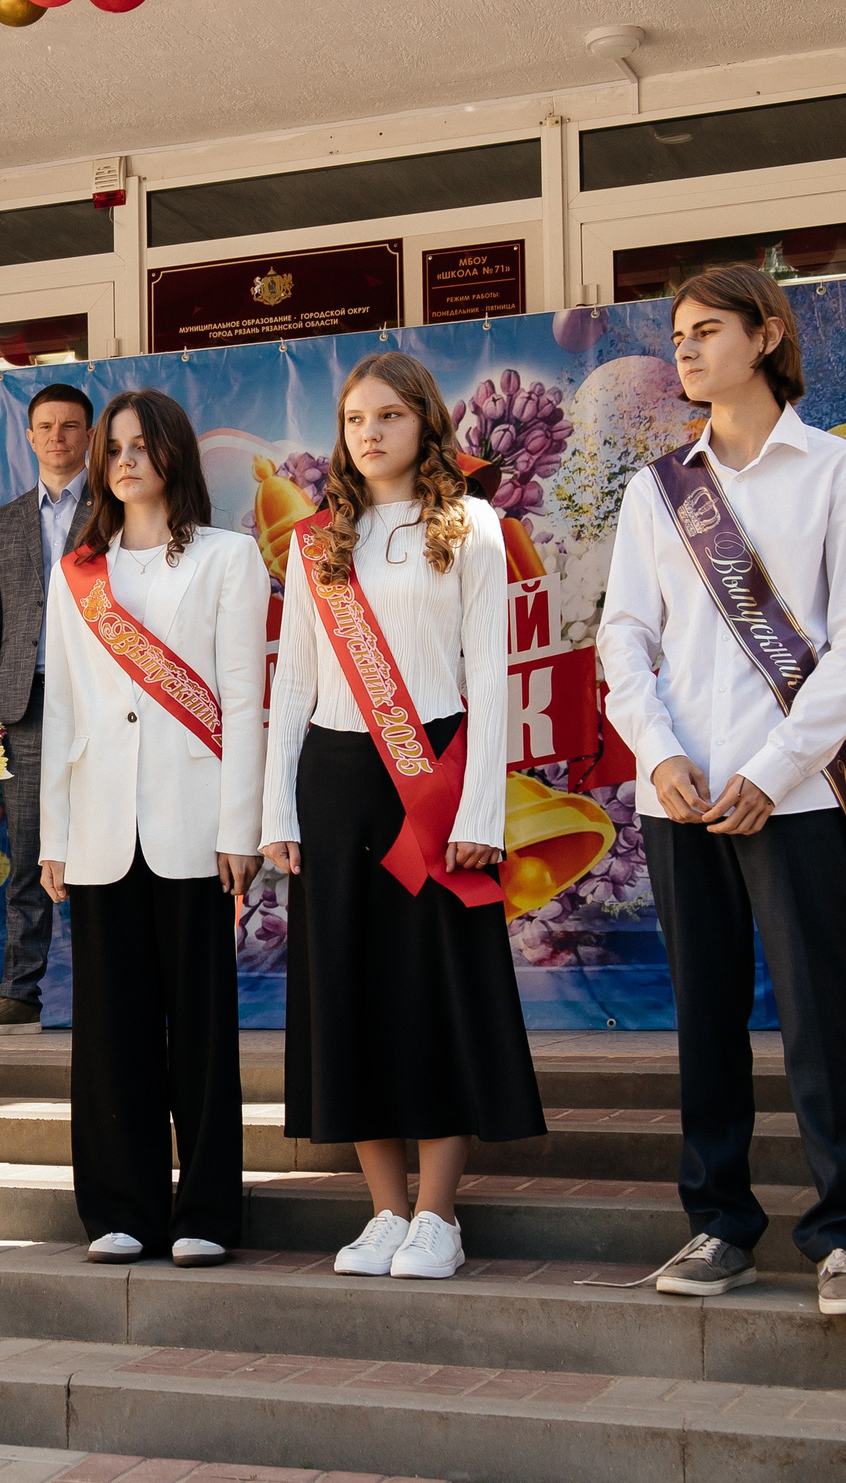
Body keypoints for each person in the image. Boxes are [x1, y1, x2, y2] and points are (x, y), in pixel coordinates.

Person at [599, 265, 846, 1313]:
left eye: (705, 329)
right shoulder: (655, 488)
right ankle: (718, 1221)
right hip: (678, 796)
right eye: (674, 333)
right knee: (705, 1016)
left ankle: (845, 1233)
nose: (683, 349)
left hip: (795, 795)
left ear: (767, 336)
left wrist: (771, 771)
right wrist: (656, 748)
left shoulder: (837, 476)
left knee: (816, 1012)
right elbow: (623, 636)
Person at [261, 352, 543, 1282]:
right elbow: (293, 680)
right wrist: (277, 811)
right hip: (337, 780)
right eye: (353, 420)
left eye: (387, 415)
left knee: (436, 989)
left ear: (425, 421)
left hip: (437, 769)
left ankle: (437, 1215)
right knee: (348, 991)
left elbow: (491, 673)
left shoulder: (471, 525)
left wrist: (484, 812)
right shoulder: (314, 543)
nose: (370, 433)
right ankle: (382, 1210)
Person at [42, 391, 268, 1267]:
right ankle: (119, 1208)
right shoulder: (80, 572)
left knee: (202, 1031)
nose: (126, 460)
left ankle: (207, 1209)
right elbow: (62, 707)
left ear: (173, 453)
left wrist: (240, 827)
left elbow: (244, 702)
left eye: (142, 445)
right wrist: (53, 835)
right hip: (100, 828)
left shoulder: (228, 558)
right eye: (114, 448)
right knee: (110, 1031)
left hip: (195, 825)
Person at [0, 382, 93, 1035]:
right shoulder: (5, 521)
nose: (58, 437)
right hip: (24, 706)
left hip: (100, 704)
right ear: (31, 435)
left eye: (71, 426)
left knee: (101, 850)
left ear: (88, 436)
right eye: (46, 426)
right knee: (26, 855)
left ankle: (107, 988)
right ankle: (20, 993)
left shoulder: (116, 511)